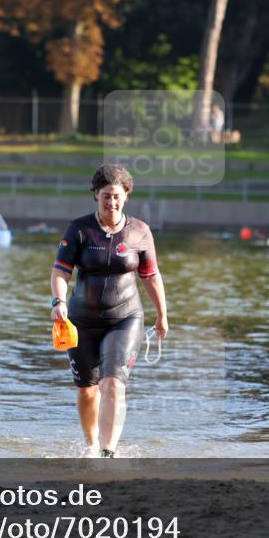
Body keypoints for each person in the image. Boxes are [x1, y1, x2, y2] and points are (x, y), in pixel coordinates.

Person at [50, 164, 168, 457]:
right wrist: (59, 302)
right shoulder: (79, 229)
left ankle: (107, 451)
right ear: (96, 195)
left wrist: (162, 316)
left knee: (113, 384)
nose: (111, 202)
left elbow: (151, 276)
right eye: (105, 196)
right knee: (88, 389)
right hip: (80, 320)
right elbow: (60, 272)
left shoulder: (140, 231)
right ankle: (91, 445)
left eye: (116, 196)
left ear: (126, 196)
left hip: (125, 319)